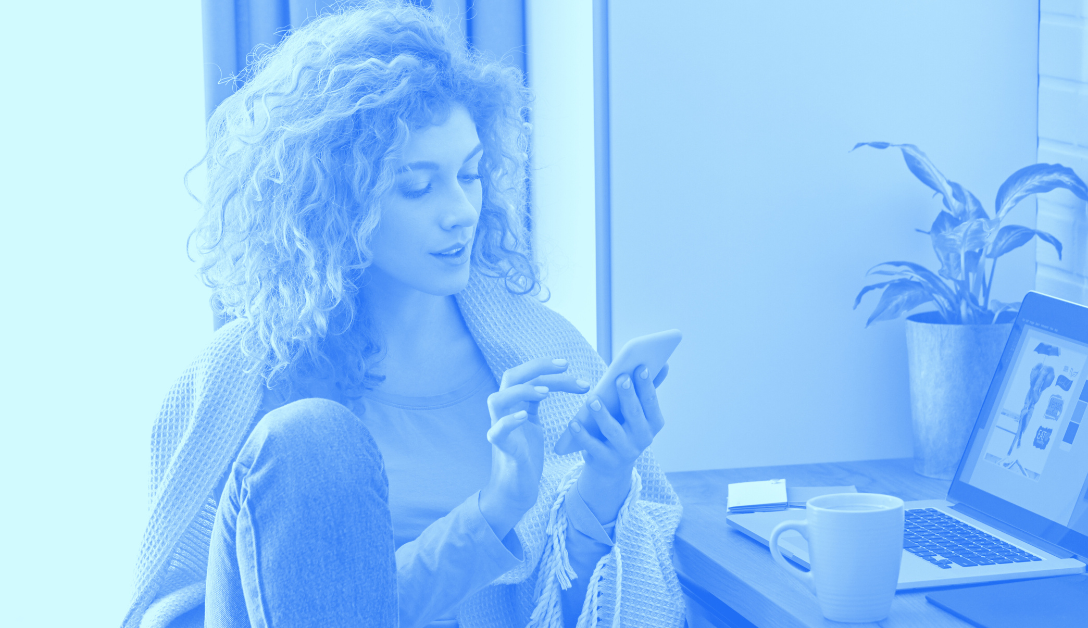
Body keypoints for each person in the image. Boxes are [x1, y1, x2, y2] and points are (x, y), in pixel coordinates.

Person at [121, 3, 684, 627]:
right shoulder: (241, 372)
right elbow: (178, 613)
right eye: (418, 186)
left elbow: (572, 613)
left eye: (470, 176)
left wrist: (605, 485)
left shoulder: (543, 357)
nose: (461, 211)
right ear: (337, 202)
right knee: (313, 438)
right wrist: (492, 512)